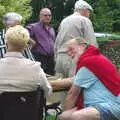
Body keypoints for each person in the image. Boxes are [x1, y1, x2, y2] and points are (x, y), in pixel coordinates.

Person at [58, 37, 120, 120]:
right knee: (65, 116)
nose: (69, 53)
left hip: (112, 105)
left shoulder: (89, 62)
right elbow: (73, 80)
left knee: (76, 116)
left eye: (71, 49)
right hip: (98, 104)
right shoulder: (93, 58)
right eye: (67, 51)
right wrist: (50, 83)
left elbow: (72, 93)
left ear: (82, 46)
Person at [54, 0, 98, 78]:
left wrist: (56, 57)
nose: (89, 15)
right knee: (76, 86)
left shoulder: (64, 21)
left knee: (59, 86)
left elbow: (57, 42)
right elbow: (92, 44)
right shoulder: (85, 20)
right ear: (85, 10)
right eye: (89, 12)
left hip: (60, 59)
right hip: (73, 59)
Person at [26, 8, 56, 75]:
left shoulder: (51, 29)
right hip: (39, 58)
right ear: (40, 16)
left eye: (49, 15)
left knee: (51, 79)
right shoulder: (33, 27)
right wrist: (32, 42)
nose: (48, 17)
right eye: (45, 15)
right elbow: (22, 34)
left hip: (51, 59)